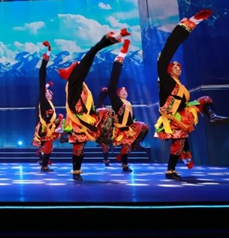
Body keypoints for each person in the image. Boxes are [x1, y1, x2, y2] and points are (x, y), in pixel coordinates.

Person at [154, 9, 228, 179]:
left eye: (179, 67)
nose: (178, 68)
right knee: (179, 140)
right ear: (168, 70)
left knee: (204, 99)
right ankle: (170, 170)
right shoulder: (166, 80)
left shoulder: (180, 86)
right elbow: (168, 51)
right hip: (171, 117)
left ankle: (213, 116)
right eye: (175, 66)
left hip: (182, 112)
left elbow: (183, 102)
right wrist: (188, 25)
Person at [58, 28, 129, 181]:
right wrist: (105, 41)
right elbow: (89, 57)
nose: (82, 69)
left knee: (107, 112)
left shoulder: (81, 86)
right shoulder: (73, 84)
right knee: (79, 146)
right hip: (78, 120)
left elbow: (90, 105)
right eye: (78, 68)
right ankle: (76, 170)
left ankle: (103, 138)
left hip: (87, 117)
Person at [105, 39, 150, 172]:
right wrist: (118, 63)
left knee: (144, 127)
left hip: (128, 126)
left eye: (125, 92)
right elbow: (111, 86)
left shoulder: (129, 104)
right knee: (122, 143)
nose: (124, 92)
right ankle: (109, 156)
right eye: (121, 91)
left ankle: (128, 158)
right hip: (119, 127)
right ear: (118, 94)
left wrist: (133, 125)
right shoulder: (116, 101)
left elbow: (131, 117)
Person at [32, 41, 64, 172]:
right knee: (47, 145)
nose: (48, 94)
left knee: (49, 146)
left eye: (50, 93)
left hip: (50, 128)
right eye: (47, 93)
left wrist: (58, 122)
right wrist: (45, 60)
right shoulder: (43, 101)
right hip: (44, 128)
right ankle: (44, 164)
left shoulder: (50, 104)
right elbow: (42, 80)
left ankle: (44, 164)